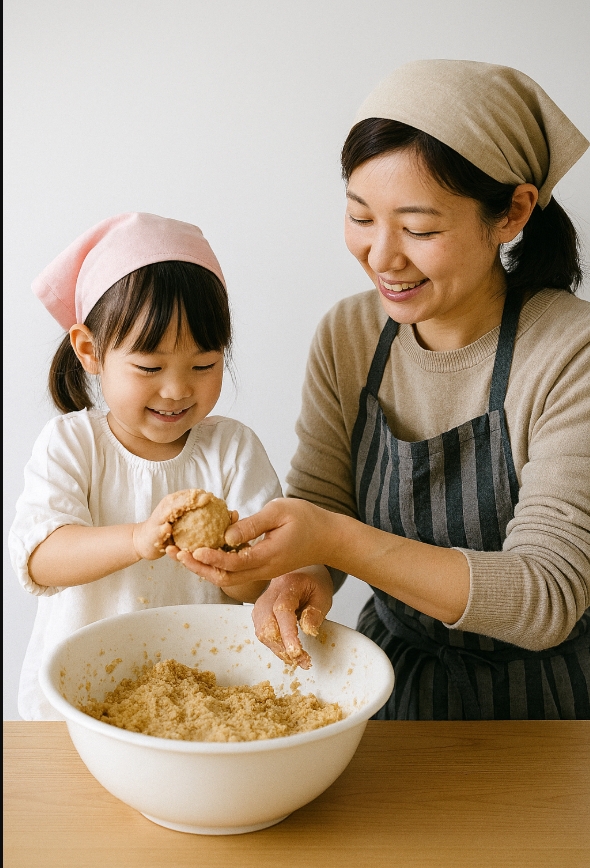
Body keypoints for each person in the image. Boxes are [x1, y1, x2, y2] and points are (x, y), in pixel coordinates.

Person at [185, 60, 590, 720]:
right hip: (390, 690)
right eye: (360, 217)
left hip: (551, 717)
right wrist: (298, 575)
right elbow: (322, 499)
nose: (382, 255)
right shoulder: (350, 334)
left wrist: (333, 542)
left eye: (420, 229)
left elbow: (544, 597)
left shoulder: (572, 351)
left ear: (513, 212)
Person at [9, 212, 282, 720]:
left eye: (204, 365)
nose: (177, 389)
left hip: (199, 697)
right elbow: (41, 557)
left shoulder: (233, 449)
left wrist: (232, 565)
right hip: (80, 700)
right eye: (150, 367)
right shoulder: (73, 444)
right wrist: (139, 539)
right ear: (90, 351)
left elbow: (258, 585)